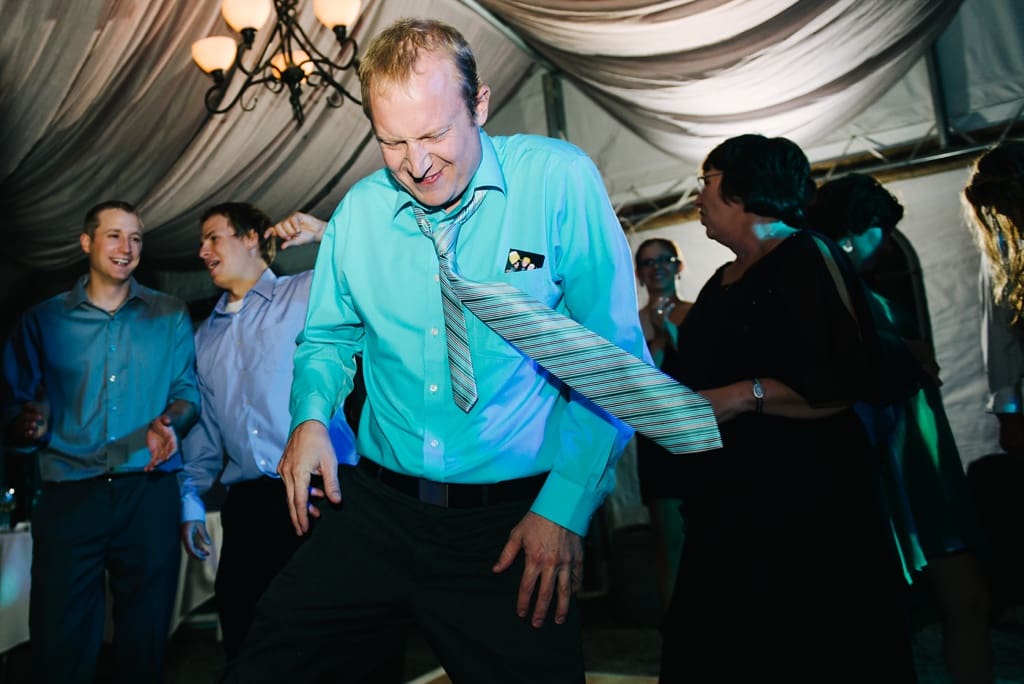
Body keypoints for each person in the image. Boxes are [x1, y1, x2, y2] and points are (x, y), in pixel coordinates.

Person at [223, 18, 646, 684]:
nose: (416, 164)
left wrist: (563, 508)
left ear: (479, 106)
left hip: (510, 525)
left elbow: (616, 367)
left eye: (434, 134)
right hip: (375, 510)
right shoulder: (361, 214)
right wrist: (310, 417)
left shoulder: (557, 183)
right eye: (392, 142)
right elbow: (331, 336)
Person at [657, 135, 916, 682]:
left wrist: (739, 396)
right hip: (729, 510)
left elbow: (844, 377)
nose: (698, 198)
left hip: (805, 515)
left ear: (738, 184)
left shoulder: (806, 253)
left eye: (705, 183)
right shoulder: (720, 281)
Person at [1, 200, 200, 683]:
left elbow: (186, 393)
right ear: (87, 243)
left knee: (146, 635)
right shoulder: (43, 320)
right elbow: (11, 403)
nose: (126, 248)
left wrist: (168, 423)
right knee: (61, 636)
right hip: (70, 493)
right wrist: (23, 426)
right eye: (114, 235)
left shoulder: (169, 314)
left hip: (148, 491)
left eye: (135, 238)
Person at [810, 173, 992, 684]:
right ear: (856, 228)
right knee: (938, 603)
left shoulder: (862, 293)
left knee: (965, 597)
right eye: (880, 230)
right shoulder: (839, 295)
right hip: (895, 459)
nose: (887, 244)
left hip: (917, 453)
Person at [178, 202, 357, 659]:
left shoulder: (308, 292)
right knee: (246, 637)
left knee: (329, 649)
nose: (202, 251)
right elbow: (206, 432)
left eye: (213, 237)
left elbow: (378, 269)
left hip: (320, 497)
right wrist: (191, 500)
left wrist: (328, 233)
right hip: (247, 511)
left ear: (251, 238)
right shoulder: (204, 339)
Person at [633, 238, 691, 607]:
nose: (657, 268)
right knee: (669, 546)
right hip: (656, 442)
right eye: (649, 262)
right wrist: (655, 336)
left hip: (698, 436)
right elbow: (631, 383)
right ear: (639, 273)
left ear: (677, 266)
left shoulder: (697, 312)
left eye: (664, 260)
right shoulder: (630, 322)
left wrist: (672, 331)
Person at [964, 141, 1024, 457]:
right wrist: (1009, 413)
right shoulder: (1003, 256)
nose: (1008, 219)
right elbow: (1000, 336)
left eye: (1009, 207)